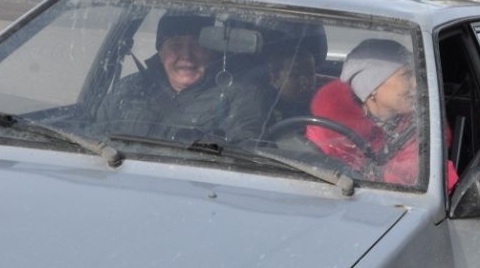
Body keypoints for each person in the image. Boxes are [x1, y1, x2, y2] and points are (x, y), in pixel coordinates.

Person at [307, 38, 456, 191]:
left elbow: (440, 186)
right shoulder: (327, 134)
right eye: (406, 76)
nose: (416, 84)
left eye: (415, 75)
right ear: (372, 88)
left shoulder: (419, 131)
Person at [95, 12, 265, 141]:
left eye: (197, 44)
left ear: (211, 52)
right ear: (160, 52)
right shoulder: (128, 89)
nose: (186, 55)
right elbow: (94, 137)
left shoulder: (239, 97)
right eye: (175, 45)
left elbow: (241, 156)